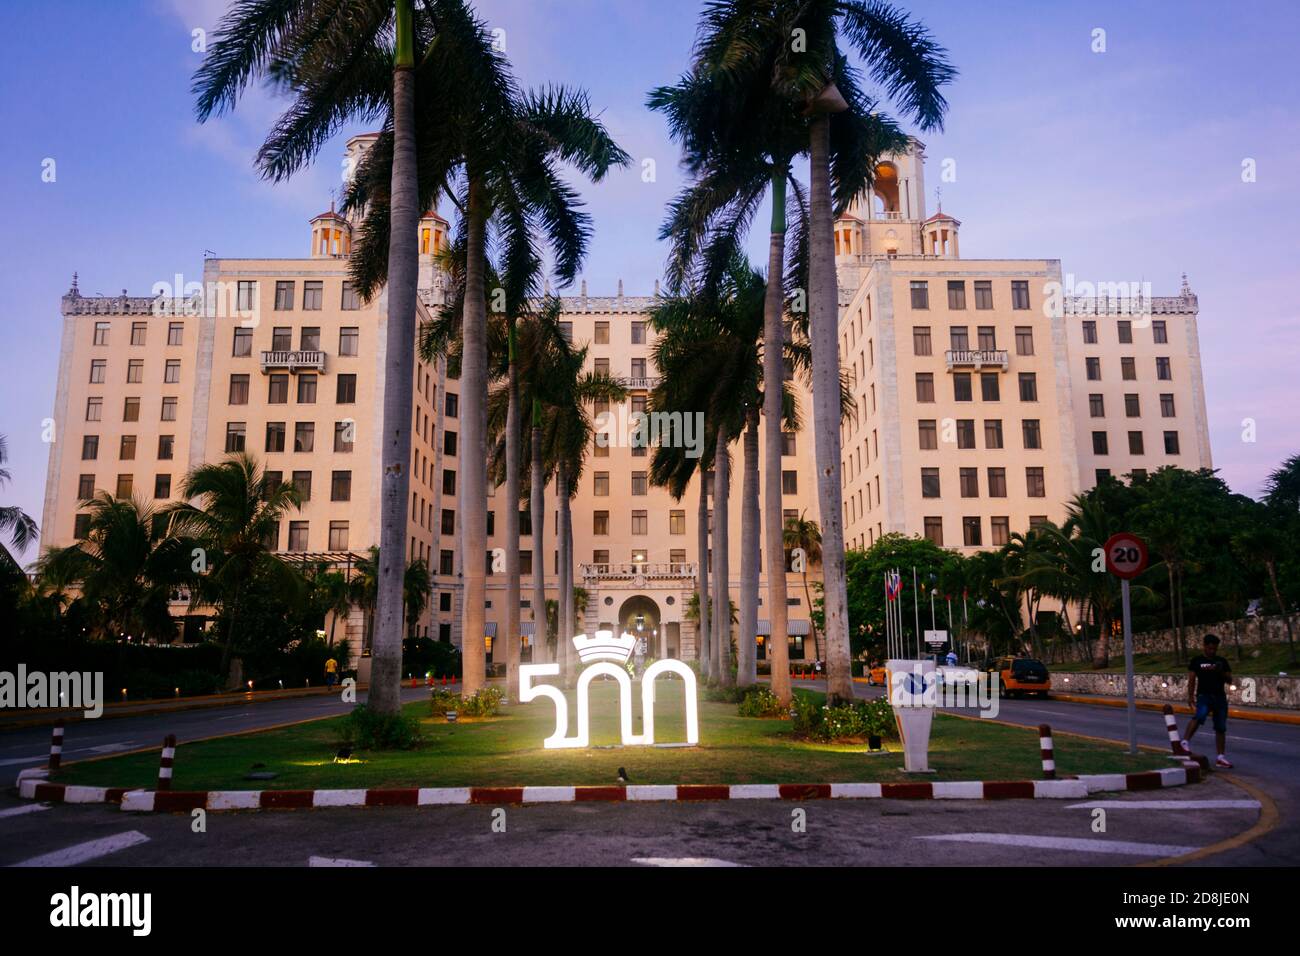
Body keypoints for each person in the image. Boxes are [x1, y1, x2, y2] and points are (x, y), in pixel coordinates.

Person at [1181, 634, 1233, 768]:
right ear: (1204, 646)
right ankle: (1185, 742)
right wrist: (1190, 696)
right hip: (1204, 695)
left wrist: (1220, 671)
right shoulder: (1197, 661)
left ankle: (1221, 757)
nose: (1212, 651)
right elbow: (1192, 679)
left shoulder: (1221, 661)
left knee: (1220, 727)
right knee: (1200, 715)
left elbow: (1229, 680)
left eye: (1214, 649)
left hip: (1219, 697)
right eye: (1210, 648)